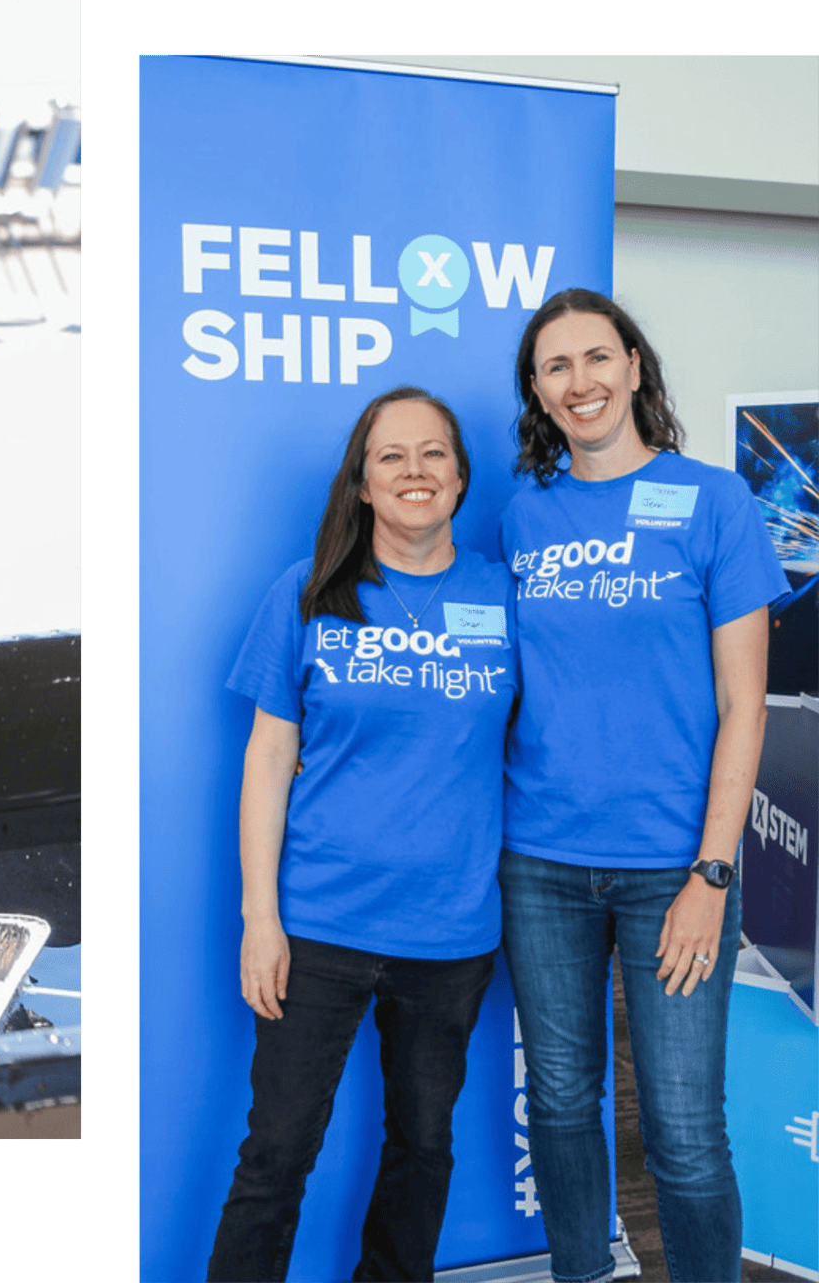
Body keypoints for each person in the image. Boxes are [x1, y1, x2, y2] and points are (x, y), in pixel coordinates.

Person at [499, 289, 788, 1283]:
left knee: (684, 1126)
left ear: (634, 367)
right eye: (555, 367)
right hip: (539, 863)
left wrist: (712, 874)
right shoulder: (520, 517)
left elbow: (744, 705)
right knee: (565, 1104)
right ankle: (581, 1273)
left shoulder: (714, 501)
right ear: (537, 393)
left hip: (675, 865)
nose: (580, 382)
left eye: (596, 358)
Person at [208, 387, 516, 1282]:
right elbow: (268, 758)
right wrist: (260, 920)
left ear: (460, 478)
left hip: (451, 935)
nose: (414, 472)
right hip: (319, 927)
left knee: (423, 1148)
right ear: (364, 483)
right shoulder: (307, 592)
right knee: (276, 1156)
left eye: (433, 455)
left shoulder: (504, 596)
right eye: (392, 457)